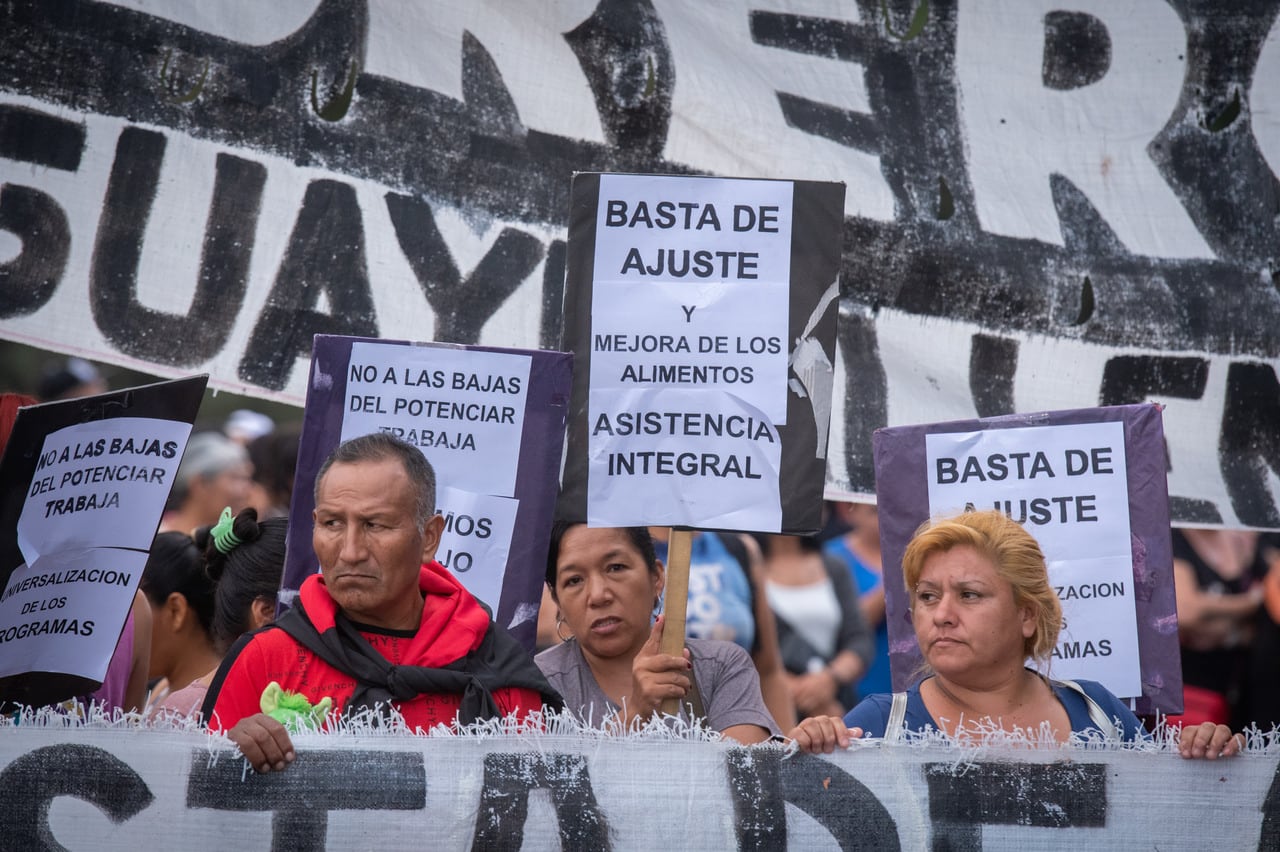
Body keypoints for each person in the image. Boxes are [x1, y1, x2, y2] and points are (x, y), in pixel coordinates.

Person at [204, 432, 559, 772]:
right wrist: (231, 757)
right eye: (332, 523)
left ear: (430, 537)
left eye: (376, 525)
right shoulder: (266, 657)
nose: (351, 551)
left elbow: (535, 820)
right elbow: (197, 813)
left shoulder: (494, 666)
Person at [790, 510, 1242, 760]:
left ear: (1027, 616)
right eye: (927, 596)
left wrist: (1203, 759)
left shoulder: (1098, 711)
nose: (941, 615)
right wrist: (813, 750)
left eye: (969, 595)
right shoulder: (875, 726)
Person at [536, 522, 778, 743]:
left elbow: (747, 779)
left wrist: (806, 744)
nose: (598, 595)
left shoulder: (720, 667)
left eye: (615, 567)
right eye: (574, 580)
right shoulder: (537, 684)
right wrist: (635, 712)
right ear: (557, 600)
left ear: (657, 578)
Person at [761, 532, 872, 717]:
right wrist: (789, 687)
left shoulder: (834, 567)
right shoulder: (749, 565)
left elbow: (859, 639)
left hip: (833, 701)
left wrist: (828, 680)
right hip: (771, 703)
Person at [1170, 527, 1267, 729]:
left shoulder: (1243, 538)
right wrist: (1252, 602)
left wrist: (1211, 613)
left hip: (1246, 686)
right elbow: (1186, 612)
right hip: (1196, 689)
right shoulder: (1175, 538)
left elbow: (1265, 617)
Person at [141, 531, 219, 718]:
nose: (127, 630)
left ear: (176, 610)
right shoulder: (163, 688)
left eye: (137, 608)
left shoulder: (211, 703)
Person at [824, 501, 891, 698]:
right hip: (858, 687)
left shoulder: (921, 553)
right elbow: (848, 625)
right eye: (875, 512)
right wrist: (893, 582)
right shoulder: (832, 557)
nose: (885, 518)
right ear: (850, 511)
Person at [160, 431, 253, 535]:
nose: (247, 491)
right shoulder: (154, 538)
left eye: (247, 479)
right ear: (200, 484)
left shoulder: (243, 546)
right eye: (235, 478)